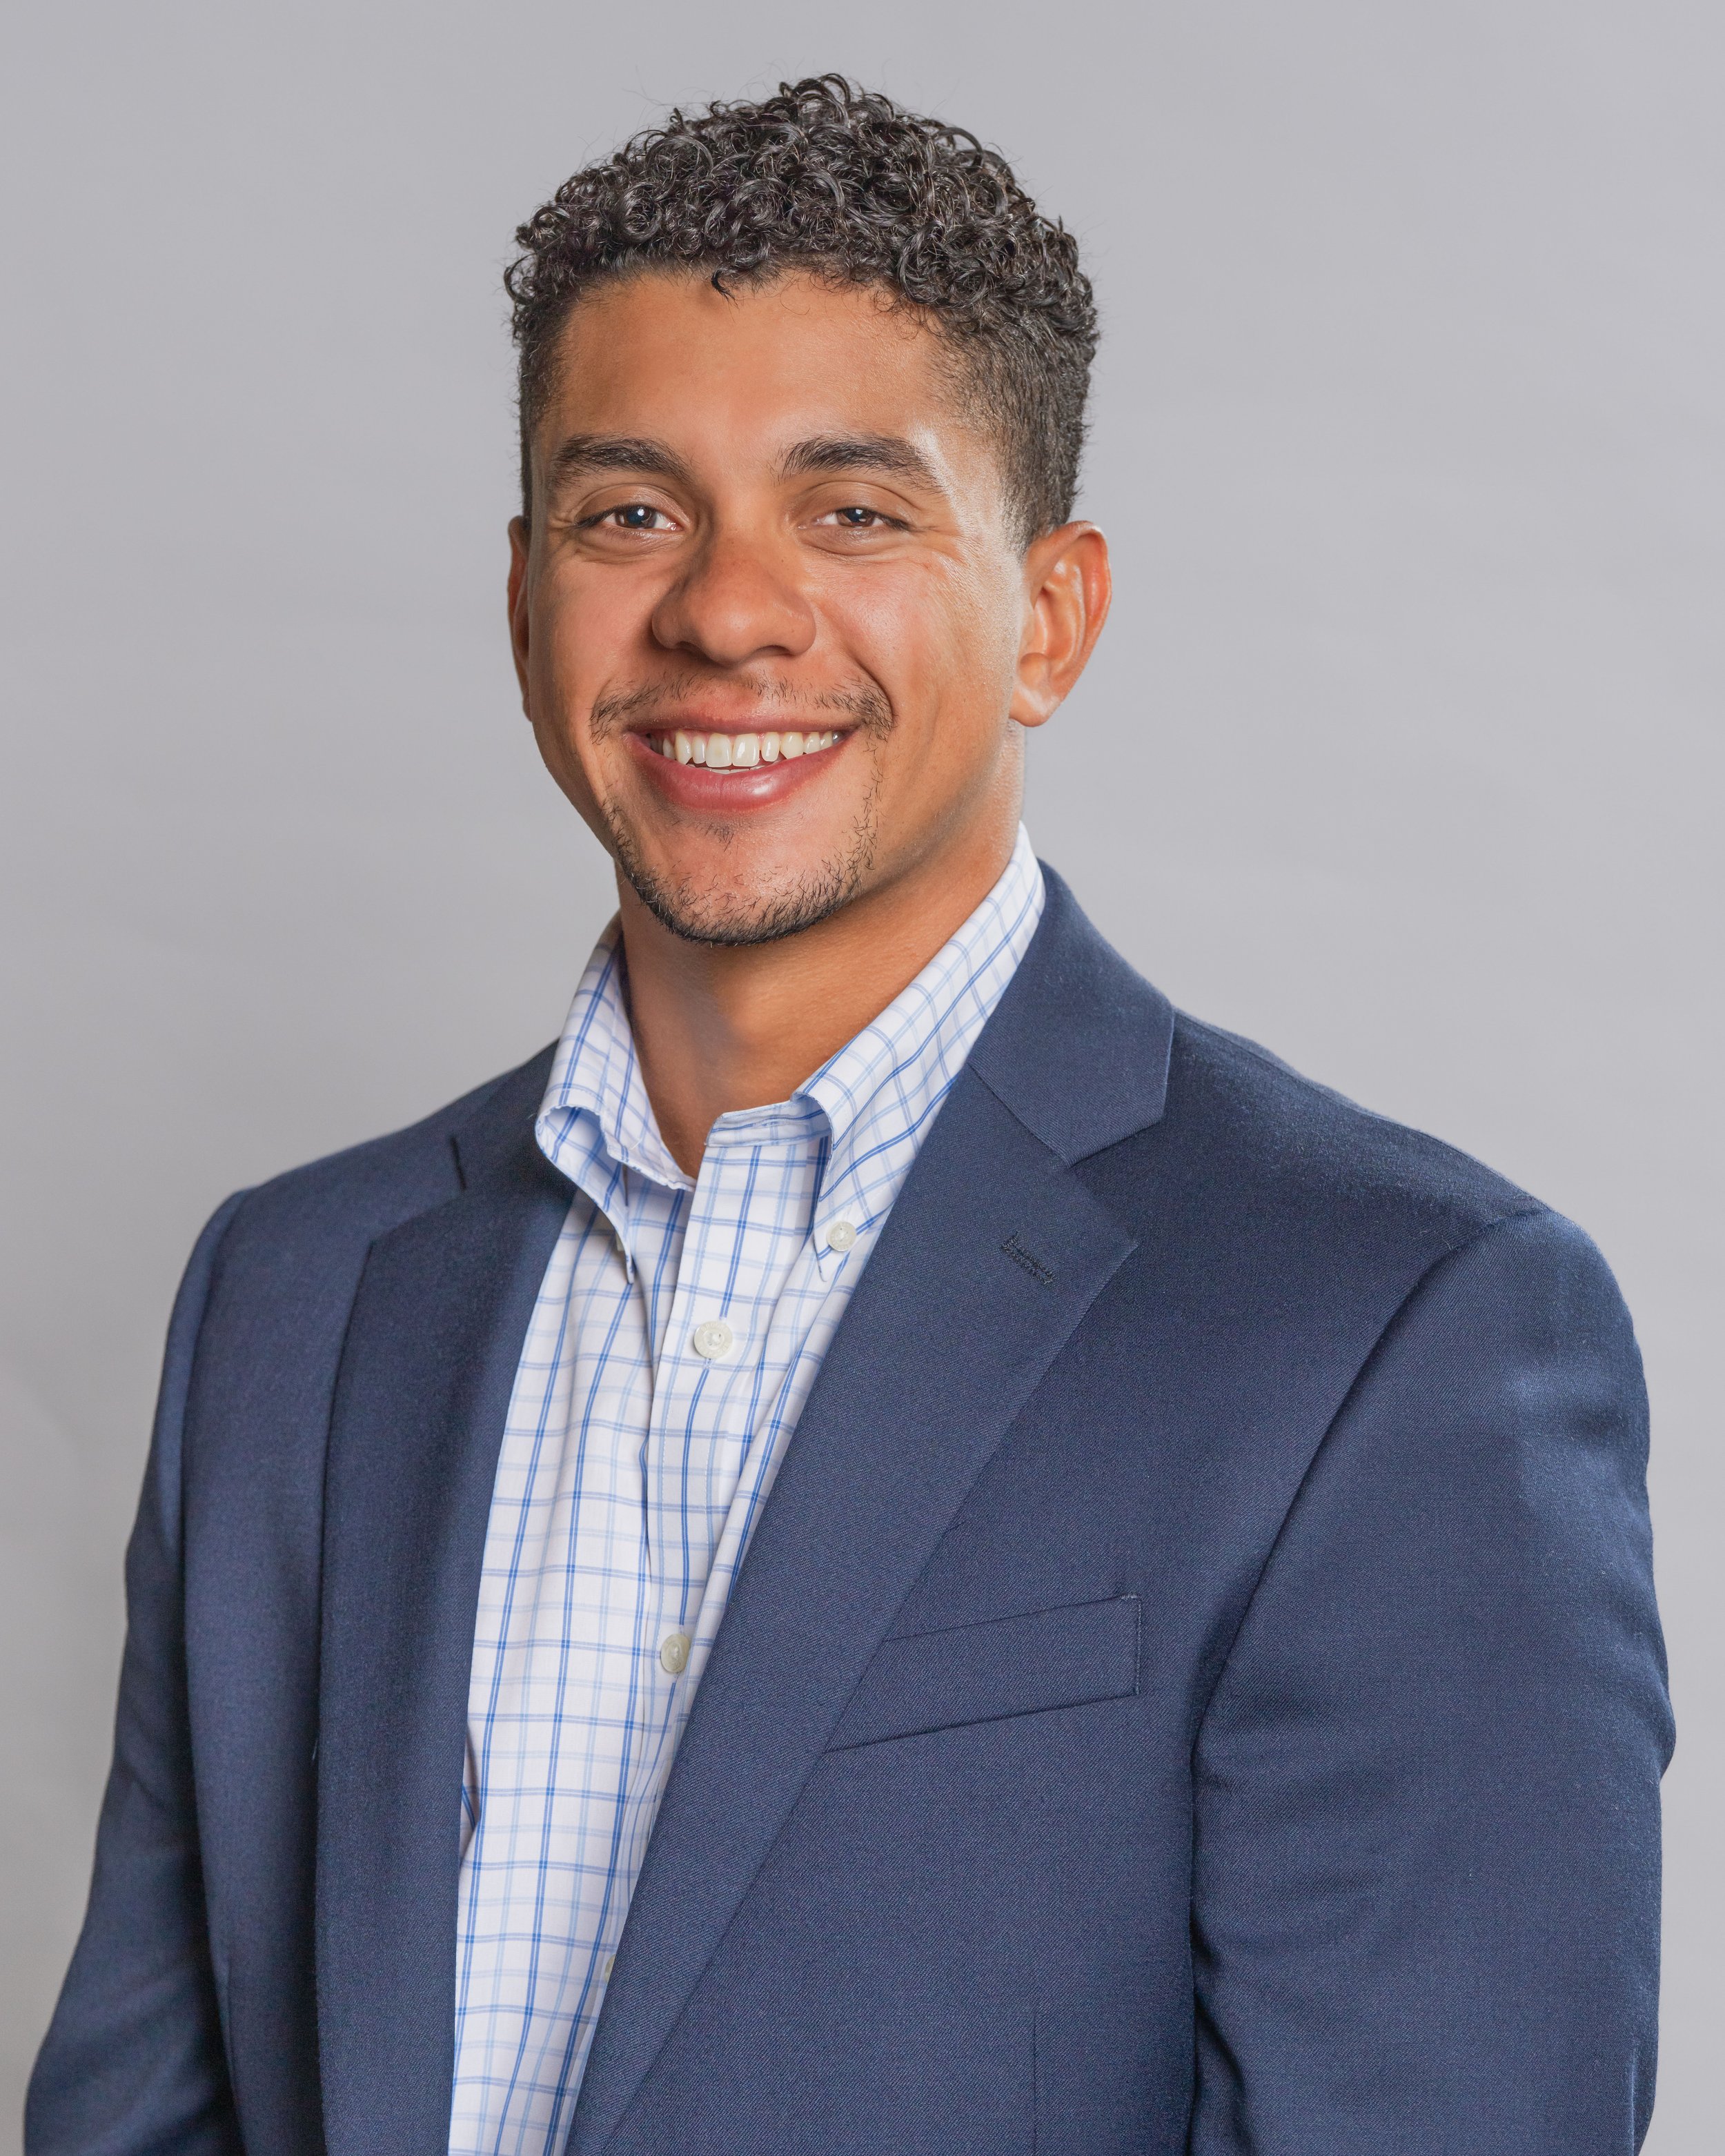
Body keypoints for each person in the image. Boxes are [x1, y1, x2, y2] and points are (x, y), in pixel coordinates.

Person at [27, 75, 1670, 2156]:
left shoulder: (1393, 1332)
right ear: (525, 599)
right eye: (632, 513)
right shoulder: (293, 1296)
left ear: (1049, 617)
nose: (725, 611)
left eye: (854, 510)